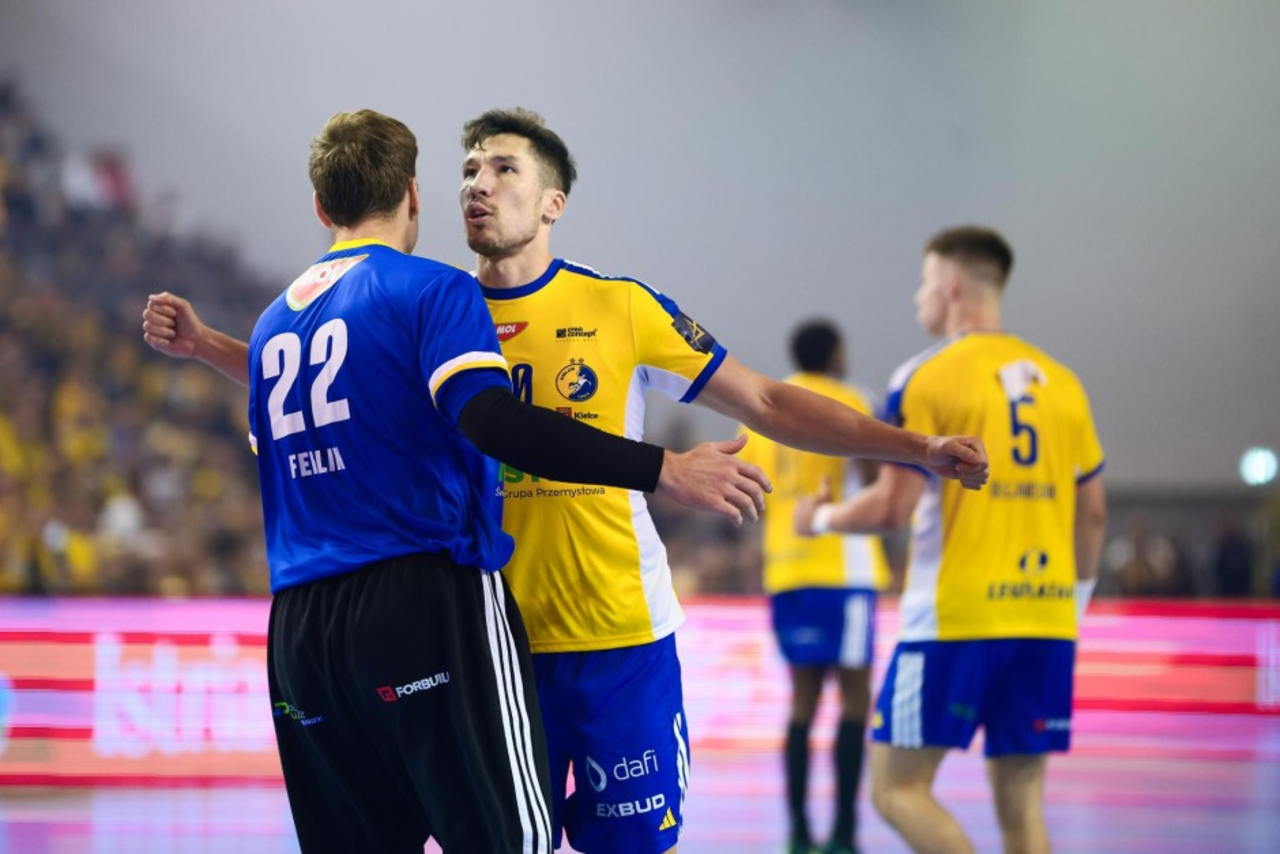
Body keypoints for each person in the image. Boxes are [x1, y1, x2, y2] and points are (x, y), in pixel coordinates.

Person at [143, 108, 990, 854]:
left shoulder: (619, 306)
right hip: (490, 647)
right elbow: (333, 386)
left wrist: (914, 447)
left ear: (554, 202)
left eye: (504, 168)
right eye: (468, 169)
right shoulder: (431, 305)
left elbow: (766, 400)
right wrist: (211, 347)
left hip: (618, 637)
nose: (478, 184)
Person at [796, 226, 1107, 854]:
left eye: (924, 282)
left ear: (953, 285)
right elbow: (1093, 513)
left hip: (955, 619)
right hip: (1047, 619)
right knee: (1022, 805)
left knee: (896, 790)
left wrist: (820, 521)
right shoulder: (1064, 383)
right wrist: (1071, 604)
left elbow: (892, 506)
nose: (919, 297)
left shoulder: (927, 376)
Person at [736, 320, 891, 854]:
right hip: (843, 570)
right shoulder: (853, 399)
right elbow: (879, 483)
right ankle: (844, 833)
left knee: (802, 702)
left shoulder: (767, 406)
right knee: (855, 699)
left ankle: (799, 833)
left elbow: (752, 484)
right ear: (837, 352)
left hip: (787, 570)